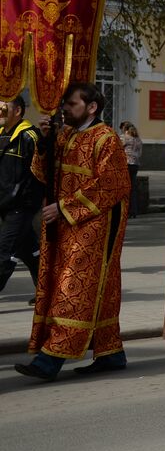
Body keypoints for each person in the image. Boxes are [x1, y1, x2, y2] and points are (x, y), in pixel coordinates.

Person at [14, 82, 131, 381]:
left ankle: (50, 359)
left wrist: (66, 207)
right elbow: (42, 173)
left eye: (72, 104)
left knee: (73, 287)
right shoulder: (64, 134)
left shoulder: (107, 139)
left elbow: (113, 185)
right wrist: (44, 141)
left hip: (94, 225)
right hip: (63, 225)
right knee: (90, 289)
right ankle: (111, 352)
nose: (65, 109)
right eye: (64, 104)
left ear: (91, 107)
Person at [0, 97, 42, 296]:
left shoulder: (30, 136)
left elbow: (41, 172)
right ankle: (48, 291)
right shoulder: (1, 135)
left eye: (3, 108)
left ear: (17, 111)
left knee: (4, 252)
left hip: (22, 206)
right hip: (4, 205)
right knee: (31, 252)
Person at [119, 121, 143, 215]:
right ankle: (133, 211)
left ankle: (125, 211)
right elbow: (140, 153)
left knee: (124, 187)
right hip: (135, 164)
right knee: (132, 188)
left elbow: (118, 149)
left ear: (125, 129)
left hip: (126, 164)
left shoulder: (124, 138)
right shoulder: (138, 140)